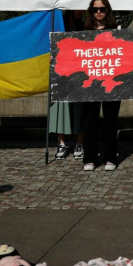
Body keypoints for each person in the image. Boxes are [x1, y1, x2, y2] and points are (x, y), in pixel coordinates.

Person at [81, 0, 122, 171]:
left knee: (110, 121)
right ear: (91, 11)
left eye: (102, 9)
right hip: (90, 83)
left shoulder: (117, 30)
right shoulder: (84, 32)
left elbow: (126, 54)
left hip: (111, 83)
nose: (98, 12)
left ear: (107, 11)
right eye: (95, 9)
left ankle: (110, 158)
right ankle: (89, 158)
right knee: (89, 121)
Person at [47, 10, 85, 160]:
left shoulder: (84, 26)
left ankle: (79, 143)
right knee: (59, 108)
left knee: (80, 108)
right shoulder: (56, 26)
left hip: (80, 74)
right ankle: (61, 143)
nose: (81, 10)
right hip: (61, 73)